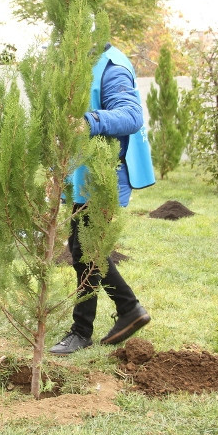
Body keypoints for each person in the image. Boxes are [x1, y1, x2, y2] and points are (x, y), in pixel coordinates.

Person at [49, 43, 156, 355]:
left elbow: (131, 115)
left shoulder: (111, 67)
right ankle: (123, 311)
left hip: (106, 175)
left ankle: (100, 322)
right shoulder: (82, 63)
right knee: (84, 248)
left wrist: (89, 121)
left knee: (87, 249)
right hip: (85, 175)